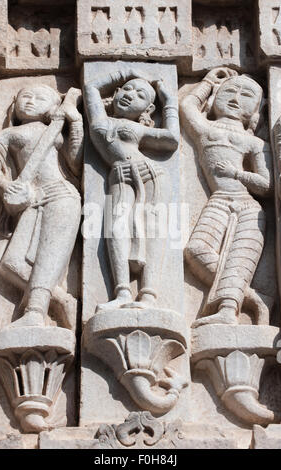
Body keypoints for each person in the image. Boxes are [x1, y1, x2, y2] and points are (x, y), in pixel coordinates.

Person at [180, 67, 272, 327]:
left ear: (255, 111)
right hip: (219, 200)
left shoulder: (254, 144)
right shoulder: (206, 131)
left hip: (247, 207)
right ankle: (253, 297)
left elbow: (265, 186)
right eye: (230, 91)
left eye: (246, 96)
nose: (235, 98)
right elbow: (187, 106)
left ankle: (228, 310)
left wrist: (237, 173)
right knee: (196, 250)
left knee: (238, 257)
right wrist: (209, 82)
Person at [0, 84, 84, 328]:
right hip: (32, 198)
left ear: (53, 106)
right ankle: (61, 299)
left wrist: (76, 122)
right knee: (10, 264)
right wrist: (3, 185)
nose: (30, 101)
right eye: (25, 96)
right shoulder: (9, 134)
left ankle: (35, 311)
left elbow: (76, 164)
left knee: (48, 258)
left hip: (61, 195)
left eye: (39, 98)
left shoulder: (56, 131)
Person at [84, 69, 179, 310]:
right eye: (127, 89)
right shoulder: (99, 119)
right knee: (114, 228)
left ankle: (148, 295)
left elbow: (171, 139)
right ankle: (123, 293)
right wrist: (126, 72)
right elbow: (91, 87)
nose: (130, 95)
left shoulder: (138, 128)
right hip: (119, 175)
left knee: (153, 229)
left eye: (140, 95)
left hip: (150, 174)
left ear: (147, 110)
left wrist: (169, 103)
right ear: (115, 93)